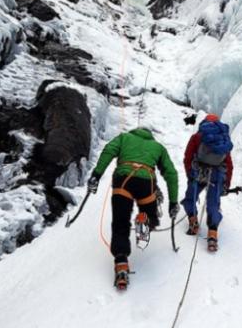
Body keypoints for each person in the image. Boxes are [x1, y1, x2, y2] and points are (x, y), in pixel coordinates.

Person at [87, 127, 179, 290]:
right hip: (146, 183)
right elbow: (171, 173)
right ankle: (144, 223)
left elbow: (109, 150)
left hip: (123, 180)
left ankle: (121, 263)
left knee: (120, 222)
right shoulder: (158, 147)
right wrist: (173, 201)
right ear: (150, 136)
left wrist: (96, 175)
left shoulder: (124, 138)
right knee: (150, 215)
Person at [181, 114, 233, 252]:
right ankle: (212, 234)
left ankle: (193, 222)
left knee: (190, 197)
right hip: (217, 174)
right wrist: (226, 183)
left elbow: (188, 156)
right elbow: (228, 163)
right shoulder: (223, 139)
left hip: (198, 171)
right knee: (213, 202)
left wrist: (189, 174)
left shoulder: (198, 136)